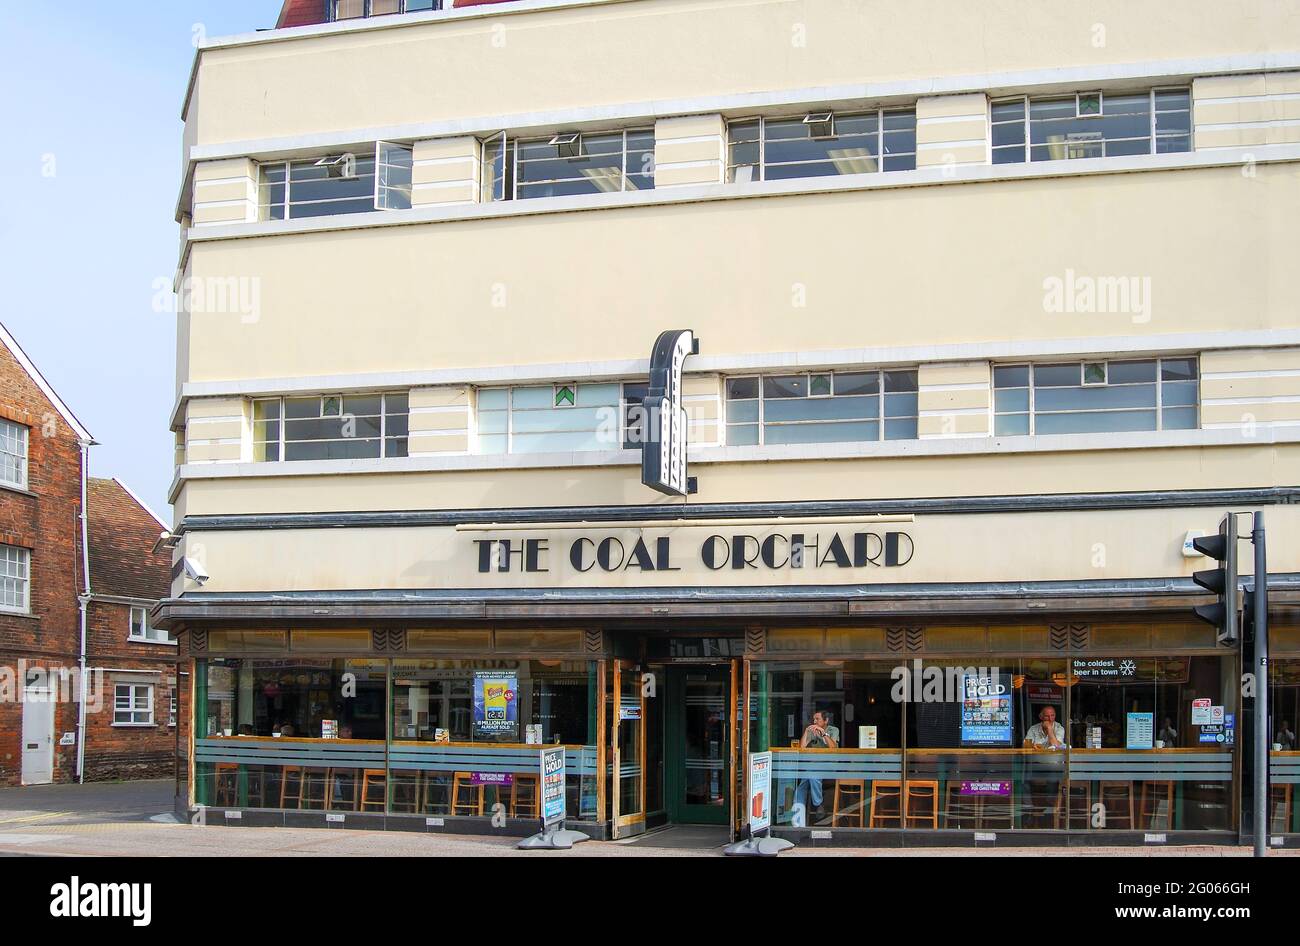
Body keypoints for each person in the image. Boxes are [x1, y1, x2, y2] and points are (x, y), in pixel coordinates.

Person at [792, 710, 839, 821]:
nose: (814, 721)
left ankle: (797, 814)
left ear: (826, 720)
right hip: (813, 766)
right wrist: (806, 732)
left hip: (829, 766)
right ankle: (818, 804)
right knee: (808, 778)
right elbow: (802, 747)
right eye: (814, 719)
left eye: (817, 719)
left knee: (808, 777)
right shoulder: (812, 730)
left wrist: (823, 733)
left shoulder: (833, 730)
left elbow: (833, 748)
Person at [1023, 705, 1065, 827]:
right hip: (1037, 764)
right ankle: (1028, 811)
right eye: (1047, 716)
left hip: (1054, 765)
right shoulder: (1033, 729)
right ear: (1041, 717)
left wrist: (1050, 730)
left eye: (1053, 715)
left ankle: (1048, 814)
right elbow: (1026, 745)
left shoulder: (1059, 728)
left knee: (1052, 782)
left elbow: (1057, 746)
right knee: (1023, 780)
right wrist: (1032, 747)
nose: (1050, 718)